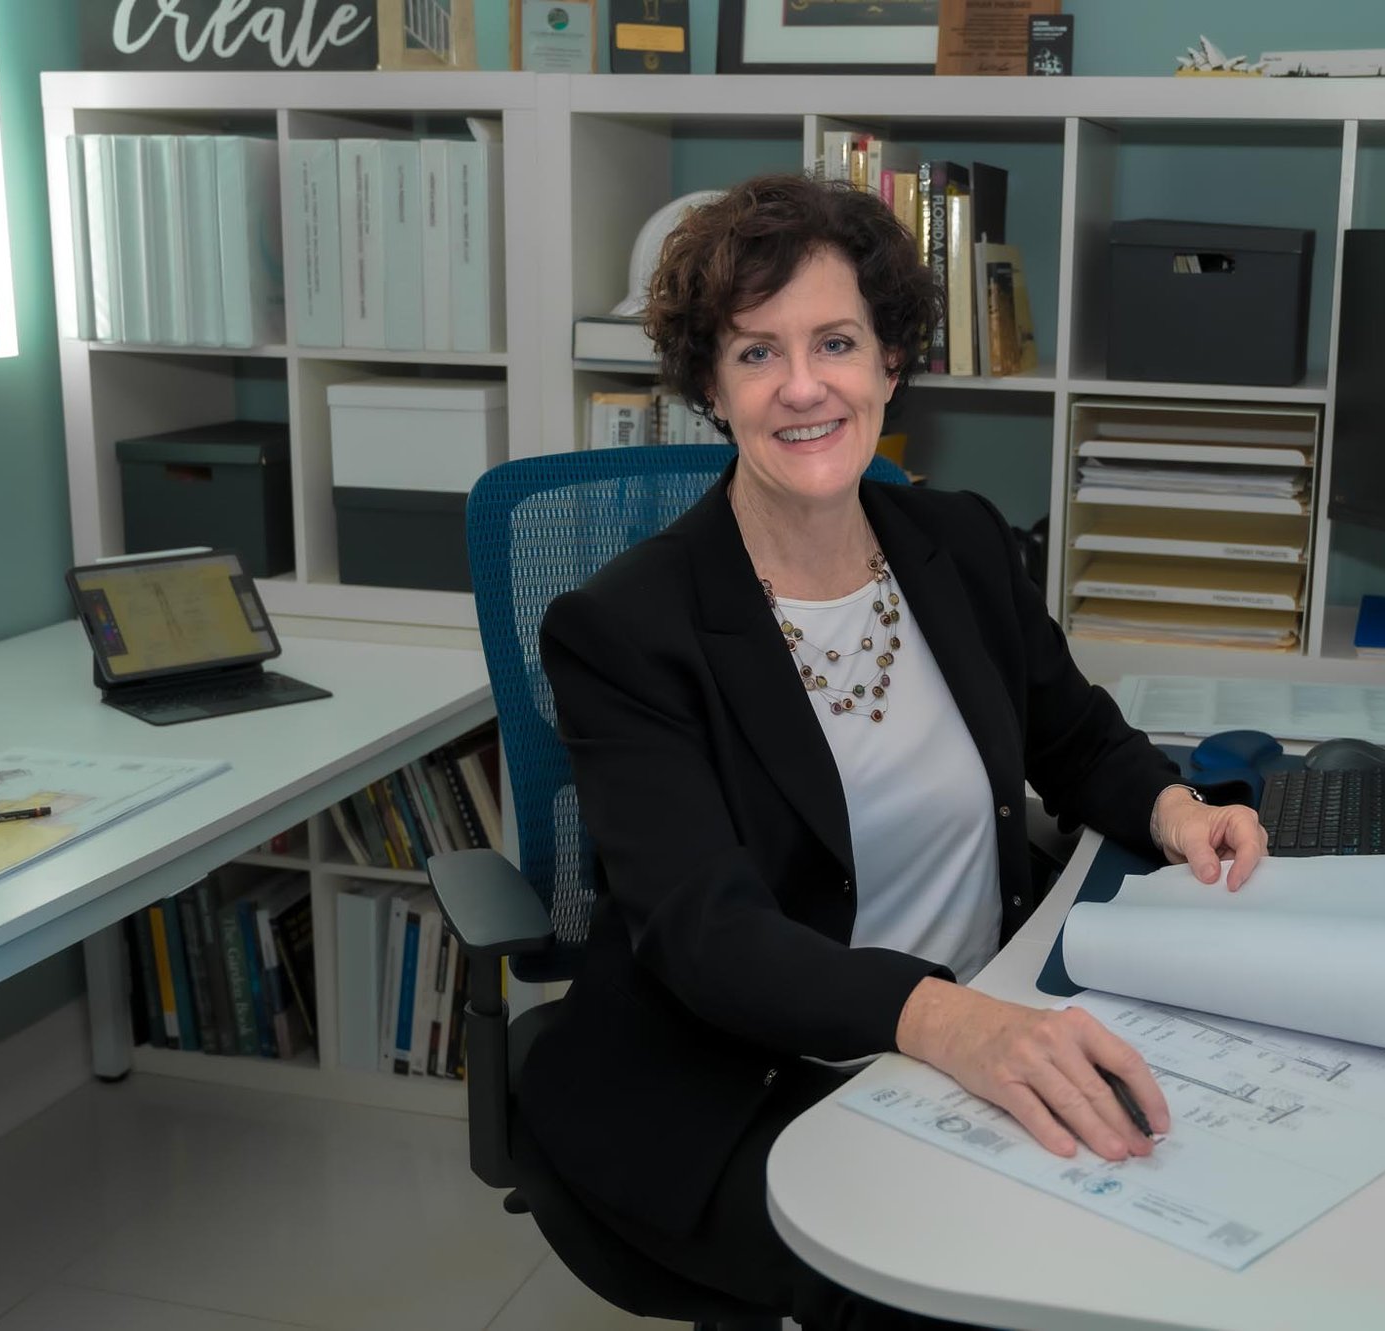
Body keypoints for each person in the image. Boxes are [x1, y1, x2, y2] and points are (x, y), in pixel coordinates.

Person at [522, 172, 1267, 1329]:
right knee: (951, 1297)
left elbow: (1069, 734)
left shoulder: (956, 541)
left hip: (977, 1023)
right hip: (744, 1073)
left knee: (1161, 1234)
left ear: (888, 364)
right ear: (710, 390)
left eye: (834, 341)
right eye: (756, 354)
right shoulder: (625, 628)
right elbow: (705, 937)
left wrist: (1170, 809)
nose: (803, 385)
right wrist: (943, 1020)